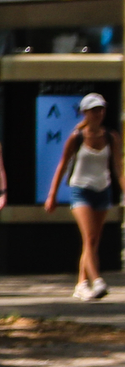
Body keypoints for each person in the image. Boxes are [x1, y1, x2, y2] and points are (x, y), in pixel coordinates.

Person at [44, 92, 115, 300]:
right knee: (89, 236)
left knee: (93, 241)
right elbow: (62, 166)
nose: (98, 114)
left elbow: (118, 169)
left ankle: (81, 283)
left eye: (101, 109)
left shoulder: (111, 137)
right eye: (94, 110)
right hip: (80, 190)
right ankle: (97, 280)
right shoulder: (77, 138)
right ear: (85, 113)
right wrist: (52, 195)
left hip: (103, 190)